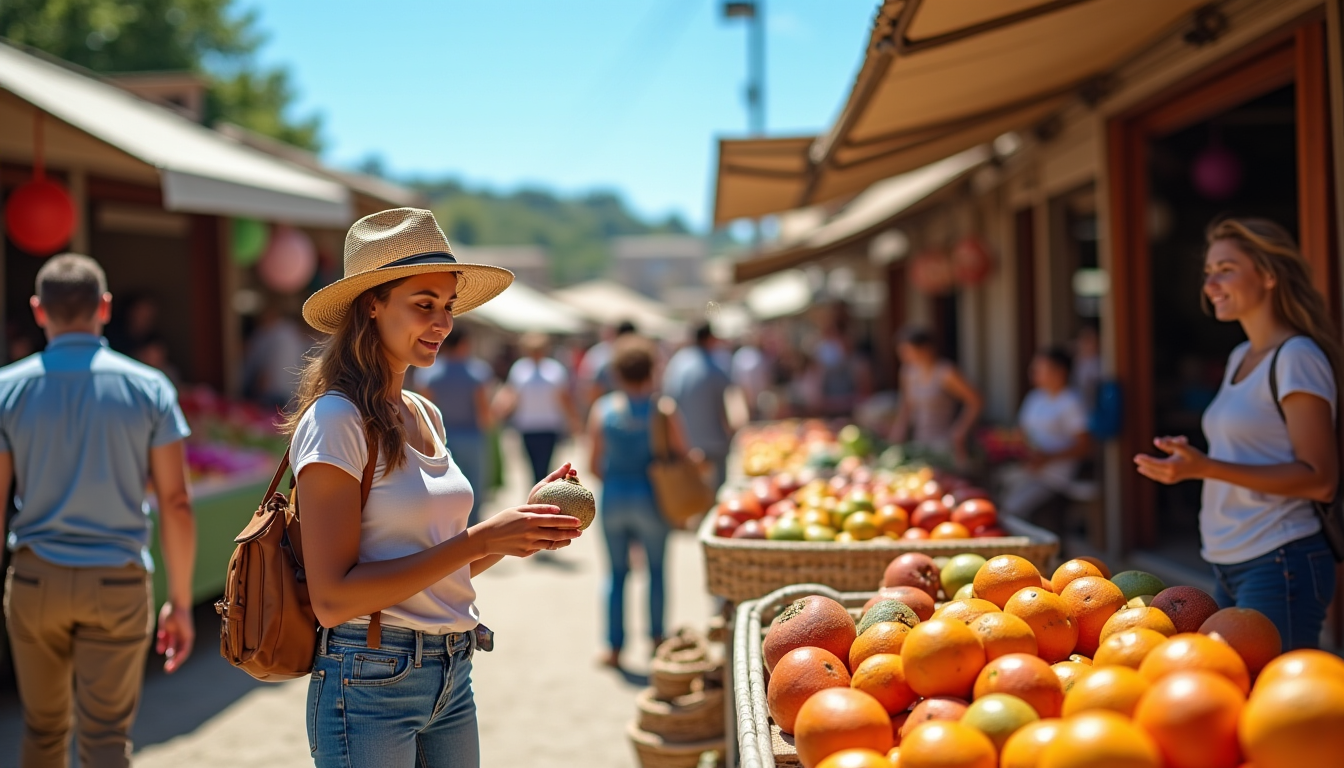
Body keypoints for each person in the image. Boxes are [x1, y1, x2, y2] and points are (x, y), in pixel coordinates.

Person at [285, 208, 584, 767]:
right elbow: (332, 599)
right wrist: (479, 539)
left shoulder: (423, 413)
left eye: (447, 307)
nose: (443, 323)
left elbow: (436, 570)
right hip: (369, 680)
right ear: (372, 304)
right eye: (424, 305)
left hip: (453, 672)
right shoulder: (336, 420)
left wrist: (512, 531)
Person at [0, 254, 196, 767]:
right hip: (118, 580)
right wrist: (179, 599)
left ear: (39, 311)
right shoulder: (149, 386)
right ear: (104, 307)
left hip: (35, 579)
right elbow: (175, 501)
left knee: (42, 731)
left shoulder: (7, 389)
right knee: (106, 738)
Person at [1135, 217, 1339, 650]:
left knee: (1280, 702)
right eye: (1209, 273)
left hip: (1278, 557)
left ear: (1268, 274)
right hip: (1230, 558)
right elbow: (1246, 452)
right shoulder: (1241, 355)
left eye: (1225, 269)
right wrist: (1193, 464)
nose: (1211, 284)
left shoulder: (1296, 356)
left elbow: (1320, 478)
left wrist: (1206, 467)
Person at [587, 336, 689, 669]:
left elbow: (592, 464)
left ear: (616, 373)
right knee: (657, 571)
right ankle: (657, 640)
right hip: (653, 499)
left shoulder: (603, 410)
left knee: (616, 574)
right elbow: (681, 455)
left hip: (614, 496)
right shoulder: (664, 409)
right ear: (652, 370)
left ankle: (614, 648)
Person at [1000, 346, 1093, 528]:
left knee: (1011, 511)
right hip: (1028, 469)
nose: (1033, 373)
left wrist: (1048, 457)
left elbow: (1085, 446)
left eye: (1040, 368)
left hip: (1054, 476)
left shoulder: (1071, 402)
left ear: (1060, 372)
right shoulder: (1035, 397)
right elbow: (1021, 433)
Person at [416, 325, 494, 525]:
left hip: (441, 438)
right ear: (463, 344)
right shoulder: (477, 372)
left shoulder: (428, 373)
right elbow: (483, 412)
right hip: (472, 437)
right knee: (473, 486)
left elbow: (424, 411)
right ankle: (472, 530)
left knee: (444, 486)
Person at [493, 332, 581, 484]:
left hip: (549, 426)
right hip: (528, 426)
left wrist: (574, 421)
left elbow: (564, 398)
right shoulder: (520, 369)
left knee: (545, 468)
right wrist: (498, 412)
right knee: (532, 469)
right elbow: (511, 394)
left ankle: (543, 498)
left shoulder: (554, 370)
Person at [888, 327, 983, 463]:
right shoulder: (908, 372)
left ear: (926, 349)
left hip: (944, 443)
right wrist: (897, 435)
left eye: (908, 351)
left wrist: (960, 431)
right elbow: (906, 405)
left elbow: (976, 401)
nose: (904, 356)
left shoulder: (945, 373)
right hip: (919, 441)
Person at [662, 323, 733, 490]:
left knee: (692, 492)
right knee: (718, 492)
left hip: (686, 443)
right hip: (715, 441)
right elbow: (726, 405)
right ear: (710, 339)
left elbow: (668, 402)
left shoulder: (677, 363)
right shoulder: (716, 365)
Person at [242, 304, 312, 410]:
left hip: (274, 390)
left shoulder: (268, 334)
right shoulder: (291, 333)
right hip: (289, 391)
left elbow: (259, 364)